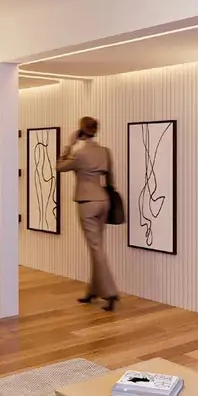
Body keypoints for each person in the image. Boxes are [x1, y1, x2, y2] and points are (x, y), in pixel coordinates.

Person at [57, 117, 119, 311]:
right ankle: (93, 290)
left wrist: (69, 144)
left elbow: (59, 166)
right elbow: (111, 178)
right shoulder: (105, 152)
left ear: (81, 132)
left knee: (96, 248)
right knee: (97, 246)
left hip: (87, 203)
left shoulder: (80, 154)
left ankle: (110, 292)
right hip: (104, 201)